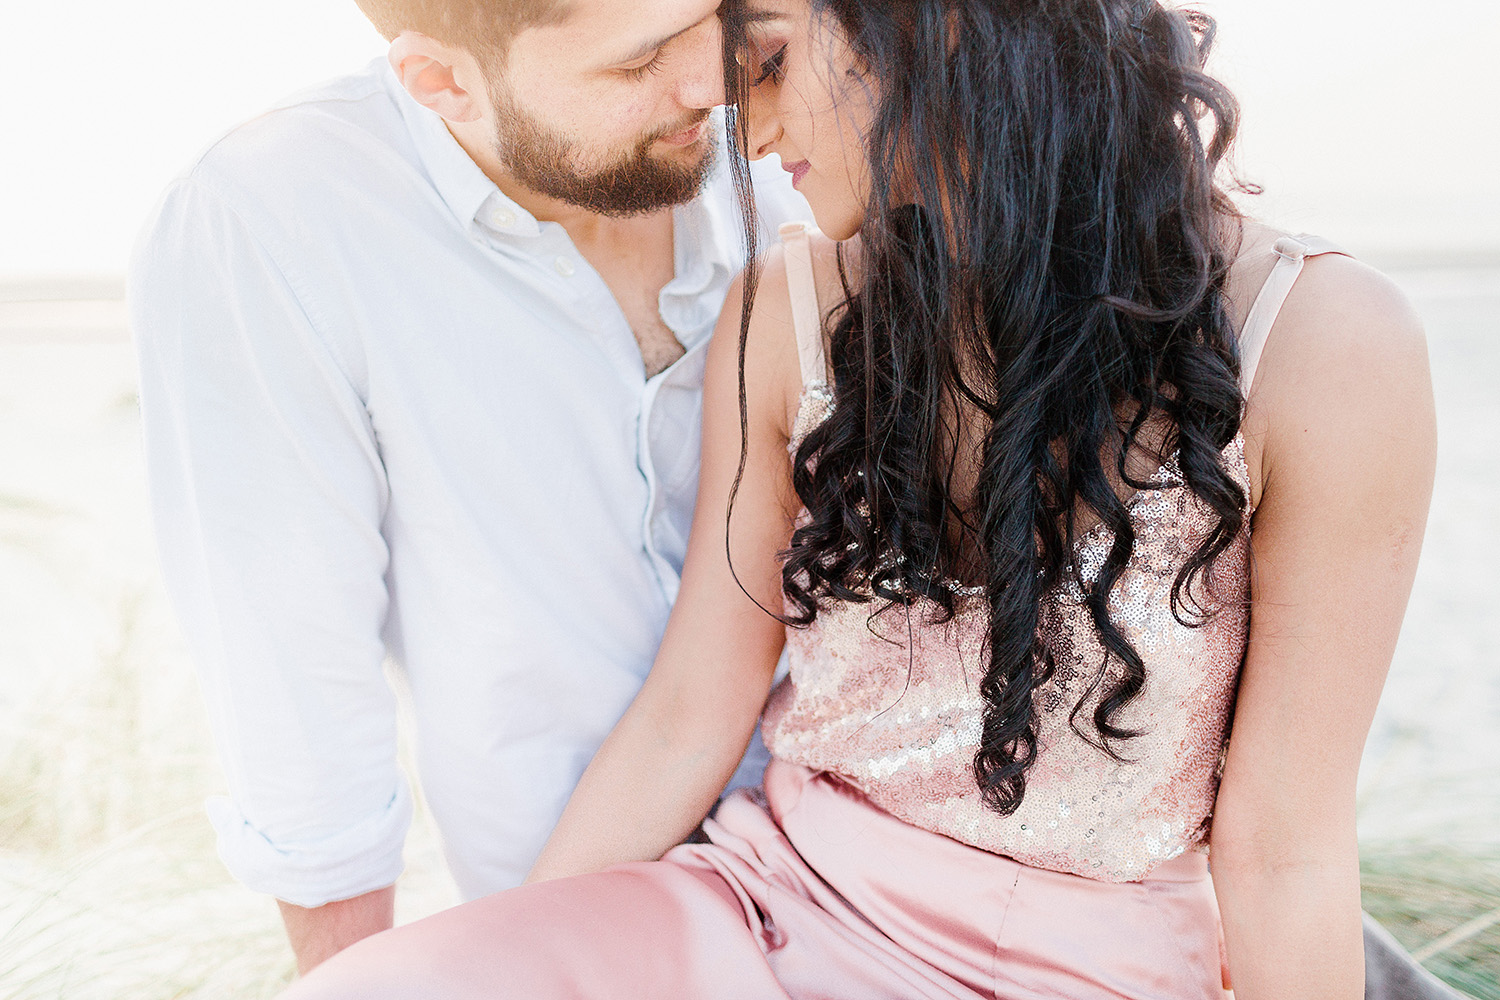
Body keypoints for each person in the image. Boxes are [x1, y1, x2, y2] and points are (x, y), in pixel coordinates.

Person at [283, 0, 1447, 997]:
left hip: (1098, 964)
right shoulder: (788, 309)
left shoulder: (1324, 345)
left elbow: (1285, 843)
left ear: (937, 28)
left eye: (776, 59)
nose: (750, 119)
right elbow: (693, 710)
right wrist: (513, 951)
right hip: (768, 911)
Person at [128, 0, 809, 974]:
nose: (716, 82)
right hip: (563, 924)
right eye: (640, 62)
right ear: (441, 83)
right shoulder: (269, 224)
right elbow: (295, 693)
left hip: (862, 879)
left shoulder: (796, 153)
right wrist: (370, 979)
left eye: (714, 16)